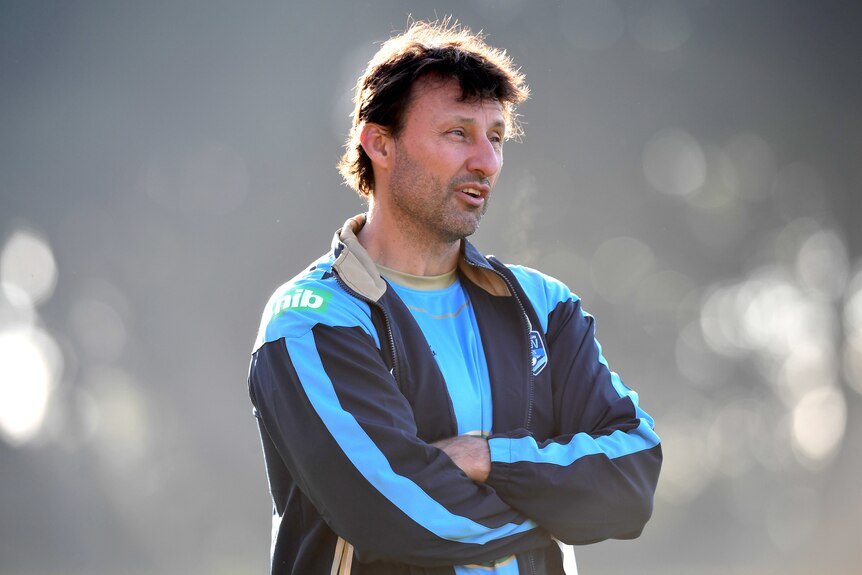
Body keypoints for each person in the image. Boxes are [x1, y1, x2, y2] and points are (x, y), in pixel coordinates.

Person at [248, 20, 662, 575]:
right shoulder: (312, 321)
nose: (487, 163)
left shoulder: (544, 305)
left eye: (494, 137)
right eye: (458, 133)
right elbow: (397, 512)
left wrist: (486, 460)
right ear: (380, 142)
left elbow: (631, 479)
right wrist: (557, 513)